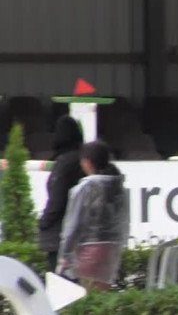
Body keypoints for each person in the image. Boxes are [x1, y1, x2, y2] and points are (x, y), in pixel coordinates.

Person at [56, 140, 128, 291]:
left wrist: (65, 254)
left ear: (87, 162)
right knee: (102, 293)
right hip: (113, 249)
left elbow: (72, 225)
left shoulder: (84, 188)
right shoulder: (118, 187)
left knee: (88, 295)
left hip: (88, 249)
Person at [38, 115, 85, 272]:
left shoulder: (65, 162)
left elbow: (57, 200)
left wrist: (43, 222)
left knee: (59, 284)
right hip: (81, 233)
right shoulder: (83, 159)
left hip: (60, 234)